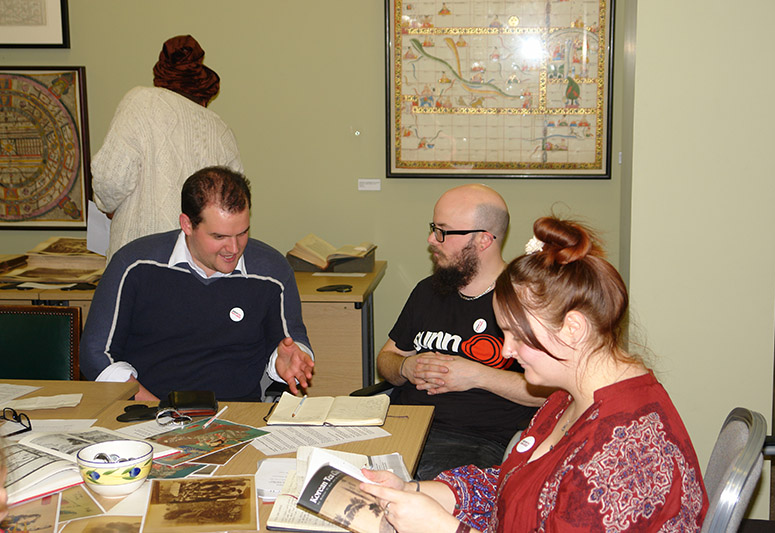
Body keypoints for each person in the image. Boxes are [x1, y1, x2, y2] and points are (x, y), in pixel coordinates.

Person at [361, 216, 709, 532]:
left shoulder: (624, 454)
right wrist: (416, 491)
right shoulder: (568, 398)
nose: (506, 351)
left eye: (516, 335)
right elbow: (515, 487)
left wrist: (443, 528)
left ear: (572, 328)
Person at [80, 166, 313, 402]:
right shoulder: (134, 265)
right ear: (187, 225)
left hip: (237, 413)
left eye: (242, 233)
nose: (234, 249)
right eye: (219, 237)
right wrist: (156, 408)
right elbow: (96, 354)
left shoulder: (271, 271)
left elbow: (291, 340)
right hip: (148, 407)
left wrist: (289, 361)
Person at [377, 184, 549, 480]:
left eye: (443, 231)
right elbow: (386, 359)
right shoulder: (428, 291)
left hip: (476, 440)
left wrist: (477, 376)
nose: (432, 239)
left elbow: (553, 394)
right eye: (434, 228)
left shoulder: (526, 299)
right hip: (405, 424)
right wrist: (406, 367)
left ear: (483, 239)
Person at [92, 34, 243, 260]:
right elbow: (234, 205)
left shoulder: (140, 102)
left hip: (140, 260)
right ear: (203, 95)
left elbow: (109, 181)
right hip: (203, 265)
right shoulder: (221, 130)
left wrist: (106, 204)